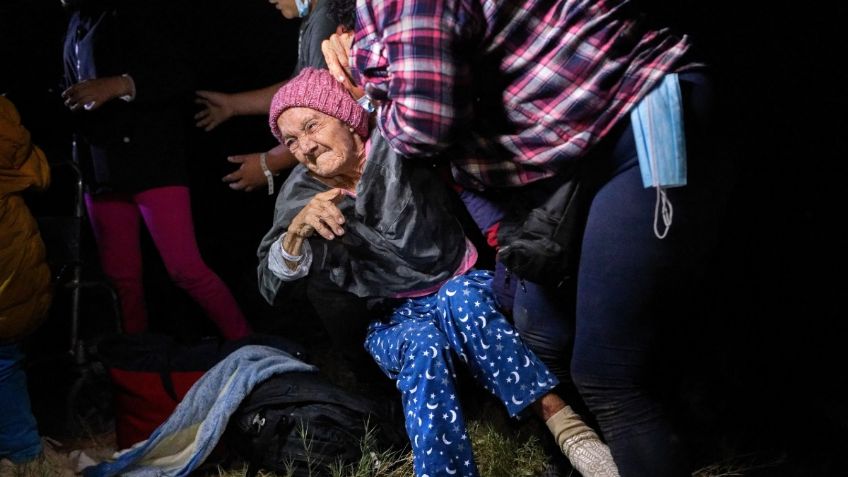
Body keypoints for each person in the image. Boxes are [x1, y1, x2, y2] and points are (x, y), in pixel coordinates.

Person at [321, 1, 732, 475]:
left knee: (608, 375)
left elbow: (424, 128)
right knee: (538, 334)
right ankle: (582, 456)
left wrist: (371, 91)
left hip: (640, 118)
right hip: (567, 158)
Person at [257, 67, 620, 477]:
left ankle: (570, 432)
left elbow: (432, 91)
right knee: (422, 343)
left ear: (345, 115)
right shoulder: (301, 195)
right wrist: (295, 236)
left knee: (457, 298)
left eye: (312, 125)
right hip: (391, 318)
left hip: (461, 285)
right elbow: (270, 287)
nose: (305, 146)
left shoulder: (397, 143)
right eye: (291, 140)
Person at [61, 0, 251, 340]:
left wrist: (119, 84)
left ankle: (250, 348)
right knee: (121, 280)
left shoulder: (139, 11)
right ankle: (138, 368)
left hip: (153, 163)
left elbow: (179, 73)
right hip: (101, 170)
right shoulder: (76, 21)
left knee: (185, 268)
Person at [193, 0, 339, 194]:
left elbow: (324, 112)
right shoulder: (313, 20)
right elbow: (295, 91)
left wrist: (270, 162)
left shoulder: (325, 19)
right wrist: (233, 105)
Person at [0, 95, 52, 465]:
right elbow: (42, 173)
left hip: (10, 280)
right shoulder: (13, 138)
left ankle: (24, 454)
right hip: (20, 278)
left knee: (2, 362)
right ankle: (24, 451)